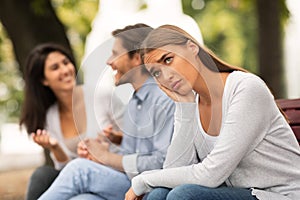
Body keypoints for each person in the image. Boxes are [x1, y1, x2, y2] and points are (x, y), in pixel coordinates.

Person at [125, 25, 300, 200]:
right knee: (158, 194)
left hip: (281, 195)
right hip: (243, 192)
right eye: (156, 73)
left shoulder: (245, 89)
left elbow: (211, 174)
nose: (166, 75)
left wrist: (143, 180)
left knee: (184, 195)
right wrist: (185, 108)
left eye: (168, 60)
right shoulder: (190, 102)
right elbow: (172, 170)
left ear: (192, 47)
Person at [38, 23, 175, 200]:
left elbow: (162, 162)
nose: (109, 61)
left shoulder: (163, 99)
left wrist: (106, 156)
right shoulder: (135, 102)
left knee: (79, 170)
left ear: (136, 59)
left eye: (116, 54)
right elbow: (130, 156)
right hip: (128, 182)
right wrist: (102, 152)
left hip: (148, 187)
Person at [19, 43, 124, 200]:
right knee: (49, 178)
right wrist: (55, 148)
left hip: (117, 176)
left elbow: (136, 141)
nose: (65, 70)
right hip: (86, 186)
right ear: (43, 80)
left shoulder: (101, 96)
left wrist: (107, 146)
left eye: (66, 63)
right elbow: (65, 172)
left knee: (78, 171)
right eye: (55, 68)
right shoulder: (51, 116)